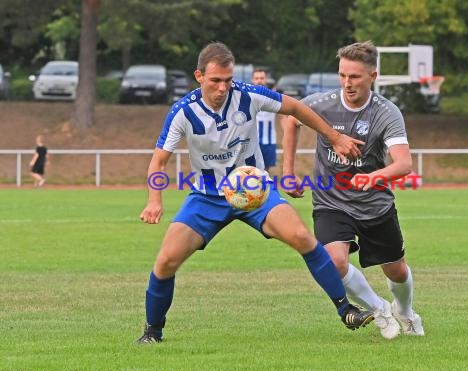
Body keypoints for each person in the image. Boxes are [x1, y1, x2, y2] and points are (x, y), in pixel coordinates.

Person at [136, 42, 372, 343]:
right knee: (166, 260)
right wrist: (154, 199)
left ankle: (345, 309)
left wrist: (335, 137)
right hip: (207, 197)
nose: (222, 88)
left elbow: (296, 108)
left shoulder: (249, 95)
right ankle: (152, 332)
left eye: (227, 80)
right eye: (215, 81)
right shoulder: (183, 112)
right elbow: (159, 160)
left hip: (255, 192)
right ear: (199, 76)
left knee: (302, 237)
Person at [281, 41, 424, 339]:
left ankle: (406, 312)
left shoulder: (386, 113)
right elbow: (291, 120)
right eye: (343, 75)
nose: (347, 83)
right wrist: (288, 172)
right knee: (334, 261)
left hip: (374, 204)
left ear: (373, 76)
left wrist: (374, 178)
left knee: (395, 270)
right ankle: (379, 308)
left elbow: (403, 164)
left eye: (355, 77)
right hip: (331, 201)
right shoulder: (322, 104)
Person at [251, 68, 278, 175]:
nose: (259, 81)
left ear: (266, 79)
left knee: (265, 171)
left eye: (262, 78)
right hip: (252, 140)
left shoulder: (273, 96)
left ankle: (263, 190)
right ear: (252, 80)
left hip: (269, 140)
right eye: (256, 78)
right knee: (251, 170)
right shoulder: (247, 97)